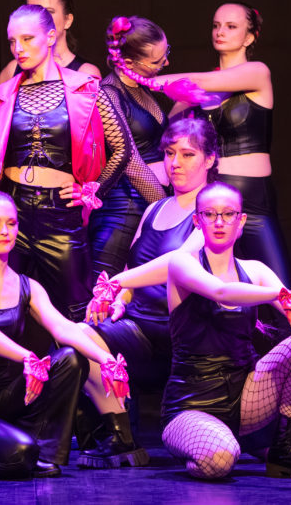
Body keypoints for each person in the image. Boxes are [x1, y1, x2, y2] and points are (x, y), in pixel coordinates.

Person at [0, 5, 149, 321]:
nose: (18, 49)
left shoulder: (86, 88)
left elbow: (122, 150)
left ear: (50, 37)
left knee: (77, 310)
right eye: (12, 41)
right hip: (12, 213)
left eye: (27, 39)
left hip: (60, 215)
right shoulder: (2, 95)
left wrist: (92, 190)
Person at [0, 190, 128, 478]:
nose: (4, 231)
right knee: (19, 454)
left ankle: (44, 453)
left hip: (4, 397)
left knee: (70, 358)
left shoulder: (28, 286)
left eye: (11, 223)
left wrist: (106, 359)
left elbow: (63, 327)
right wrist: (28, 357)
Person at [158, 182, 291, 479]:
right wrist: (275, 294)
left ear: (241, 220)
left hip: (245, 396)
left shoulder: (255, 270)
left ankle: (282, 449)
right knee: (219, 460)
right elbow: (221, 292)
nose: (219, 222)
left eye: (228, 214)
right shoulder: (181, 263)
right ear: (197, 220)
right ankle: (230, 441)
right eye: (210, 214)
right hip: (192, 403)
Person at [77, 118, 214, 469]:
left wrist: (117, 284)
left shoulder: (212, 212)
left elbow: (176, 263)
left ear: (210, 159)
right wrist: (117, 301)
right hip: (139, 329)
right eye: (169, 153)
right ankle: (121, 434)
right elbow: (131, 269)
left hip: (178, 339)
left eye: (187, 154)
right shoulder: (154, 209)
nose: (175, 163)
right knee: (78, 336)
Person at [155, 3, 291, 287]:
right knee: (212, 286)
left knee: (280, 287)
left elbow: (199, 80)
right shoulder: (199, 89)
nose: (220, 32)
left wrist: (144, 79)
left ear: (249, 37)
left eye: (231, 27)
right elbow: (165, 129)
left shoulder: (257, 72)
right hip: (212, 198)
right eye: (216, 25)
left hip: (253, 197)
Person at [87, 16, 170, 282]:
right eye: (157, 61)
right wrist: (167, 209)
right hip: (124, 209)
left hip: (145, 204)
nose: (166, 64)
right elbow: (131, 162)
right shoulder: (109, 93)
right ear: (129, 62)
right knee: (103, 291)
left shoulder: (140, 89)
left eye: (166, 54)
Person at [0, 0, 100, 85]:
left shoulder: (85, 72)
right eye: (32, 11)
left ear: (68, 20)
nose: (41, 17)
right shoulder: (13, 69)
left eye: (48, 12)